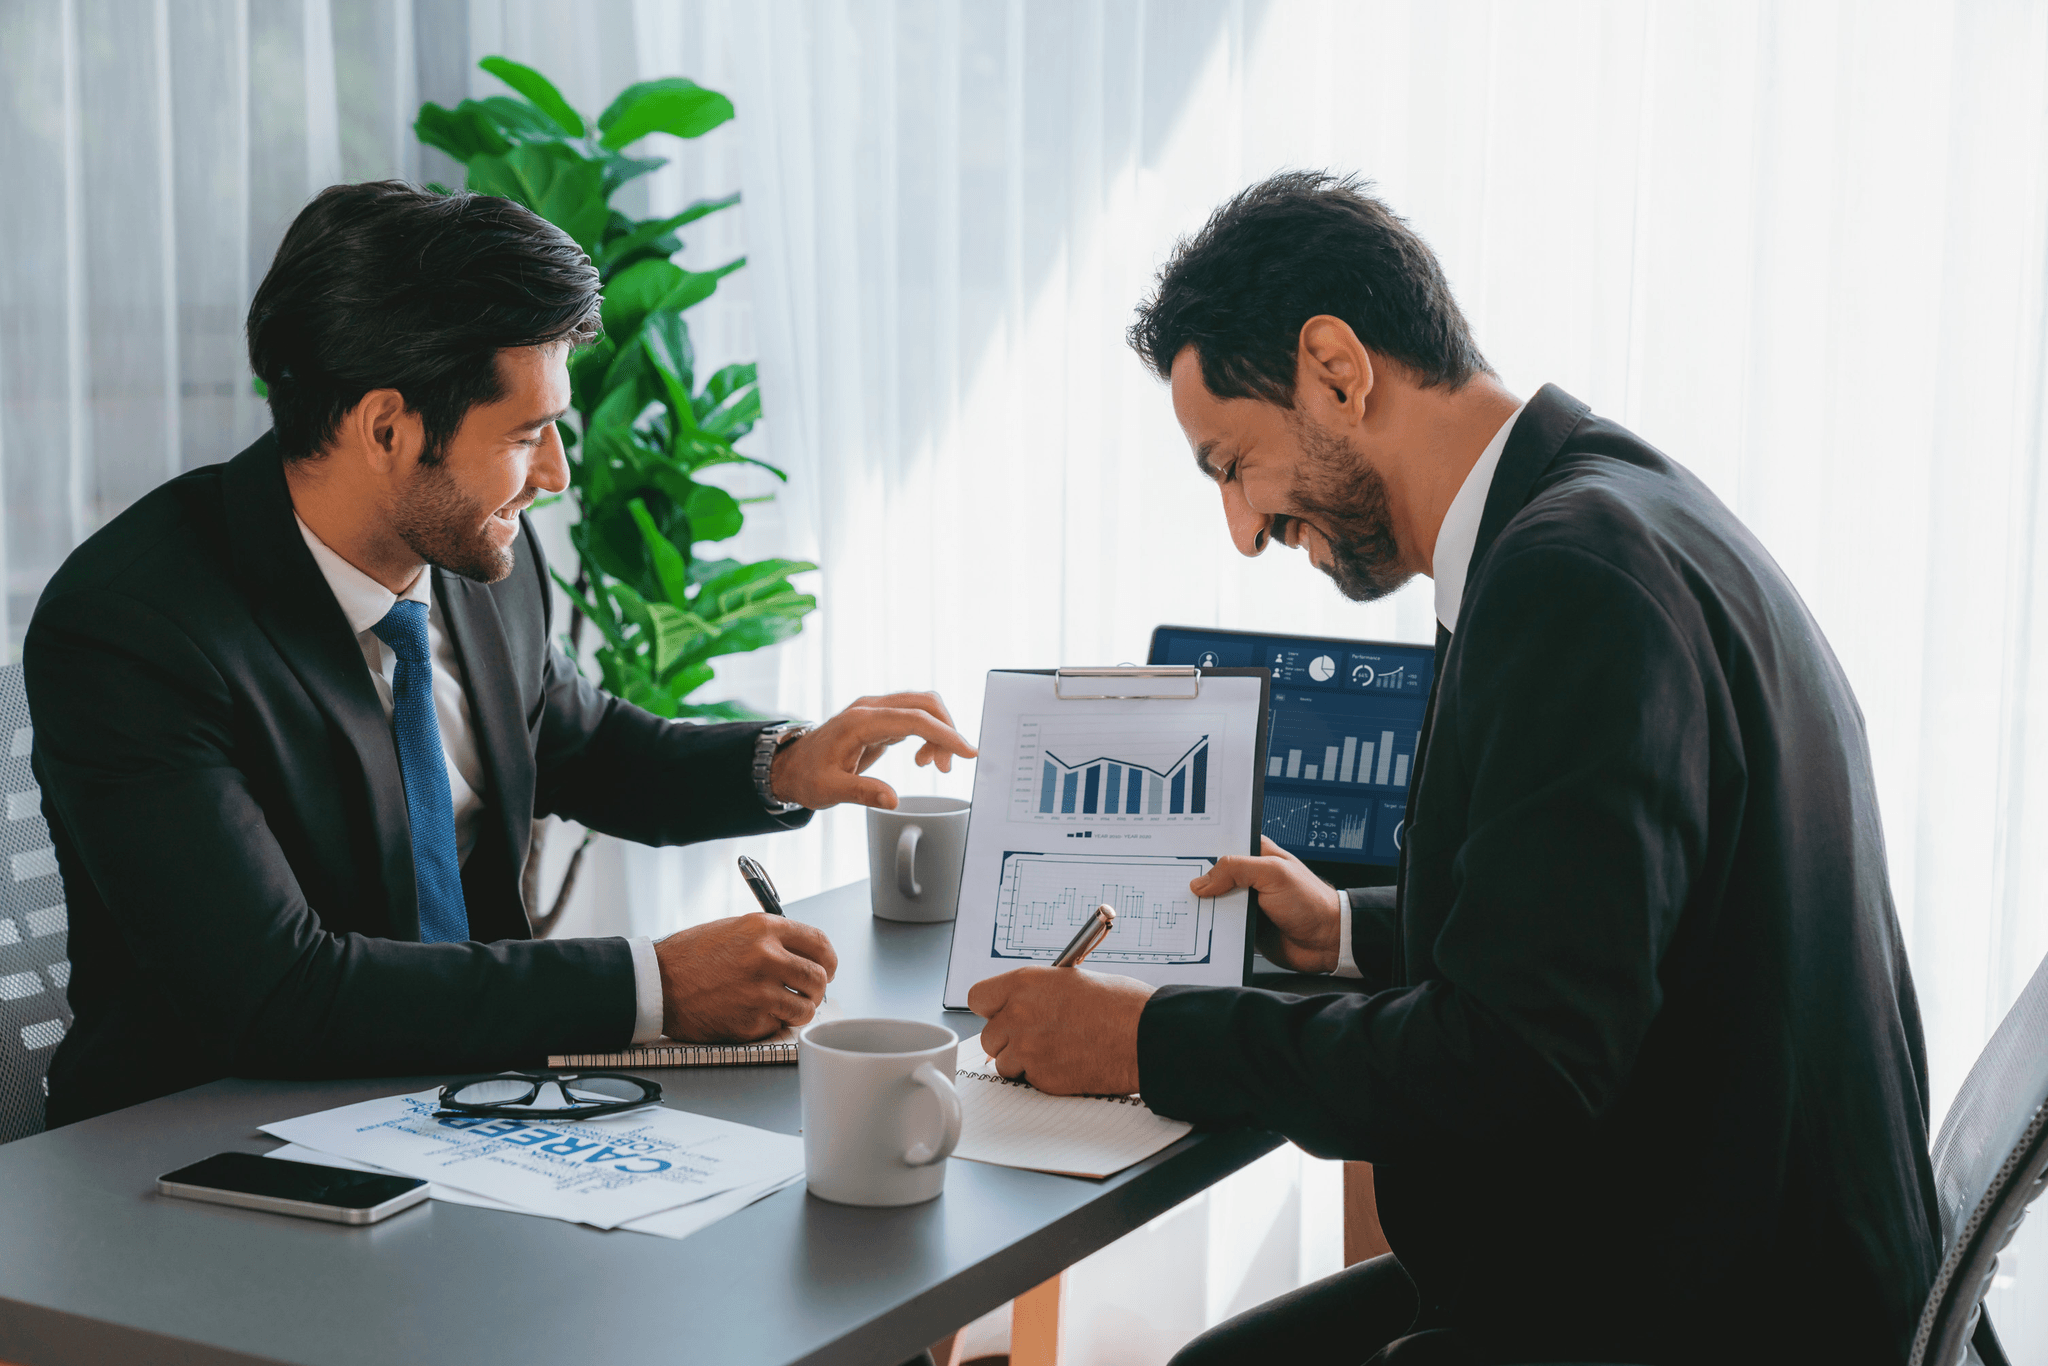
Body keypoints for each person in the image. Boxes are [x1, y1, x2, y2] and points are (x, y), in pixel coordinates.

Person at [968, 172, 1939, 1365]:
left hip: (1706, 1311)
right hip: (1724, 1246)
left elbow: (1515, 1066)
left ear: (1335, 368)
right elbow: (1591, 928)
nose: (1241, 527)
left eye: (1232, 465)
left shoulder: (1570, 583)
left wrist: (1142, 1038)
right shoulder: (1605, 509)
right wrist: (1347, 932)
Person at [27, 181, 975, 1128]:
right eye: (527, 434)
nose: (557, 474)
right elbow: (278, 990)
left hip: (467, 1099)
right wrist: (654, 986)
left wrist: (786, 766)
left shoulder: (480, 558)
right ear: (388, 428)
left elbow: (579, 740)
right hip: (202, 1144)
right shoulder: (133, 628)